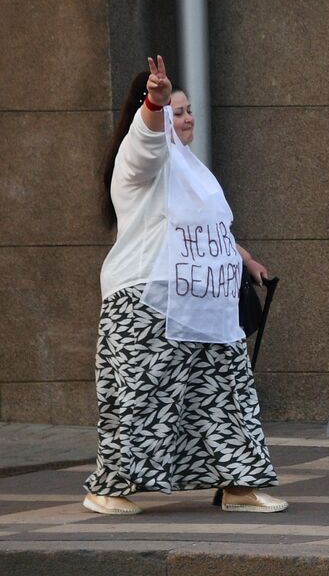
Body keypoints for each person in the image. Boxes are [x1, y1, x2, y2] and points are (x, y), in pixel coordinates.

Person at [86, 57, 285, 515]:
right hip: (147, 303)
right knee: (144, 397)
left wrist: (245, 259)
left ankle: (239, 485)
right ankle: (108, 489)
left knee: (229, 392)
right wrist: (154, 107)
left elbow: (210, 229)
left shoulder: (193, 170)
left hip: (206, 306)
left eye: (188, 109)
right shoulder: (139, 162)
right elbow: (146, 144)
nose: (187, 117)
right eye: (177, 111)